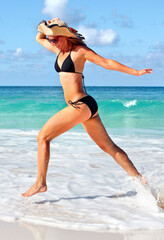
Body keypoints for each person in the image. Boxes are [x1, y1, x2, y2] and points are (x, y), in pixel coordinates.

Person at [22, 18, 151, 197]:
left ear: (65, 36)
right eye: (51, 39)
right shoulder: (58, 50)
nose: (52, 42)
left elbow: (106, 63)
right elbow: (39, 38)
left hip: (81, 104)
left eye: (55, 39)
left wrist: (135, 72)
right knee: (109, 147)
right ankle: (141, 182)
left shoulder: (80, 51)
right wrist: (49, 26)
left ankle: (40, 183)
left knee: (42, 138)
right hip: (85, 107)